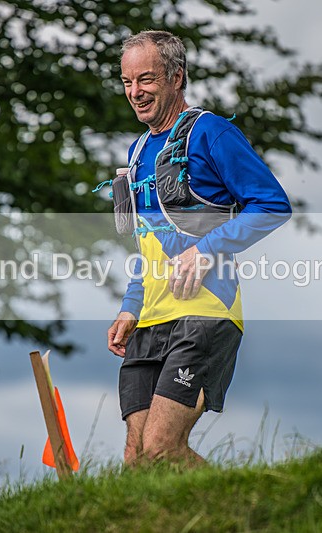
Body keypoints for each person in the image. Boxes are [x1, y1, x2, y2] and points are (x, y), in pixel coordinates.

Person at [105, 30, 291, 467]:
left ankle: (254, 502)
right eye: (127, 81)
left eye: (146, 79)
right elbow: (149, 243)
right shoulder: (136, 152)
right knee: (137, 459)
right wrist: (131, 305)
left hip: (206, 313)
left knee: (161, 448)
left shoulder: (211, 132)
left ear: (176, 77)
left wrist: (206, 250)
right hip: (151, 318)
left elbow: (272, 204)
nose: (135, 92)